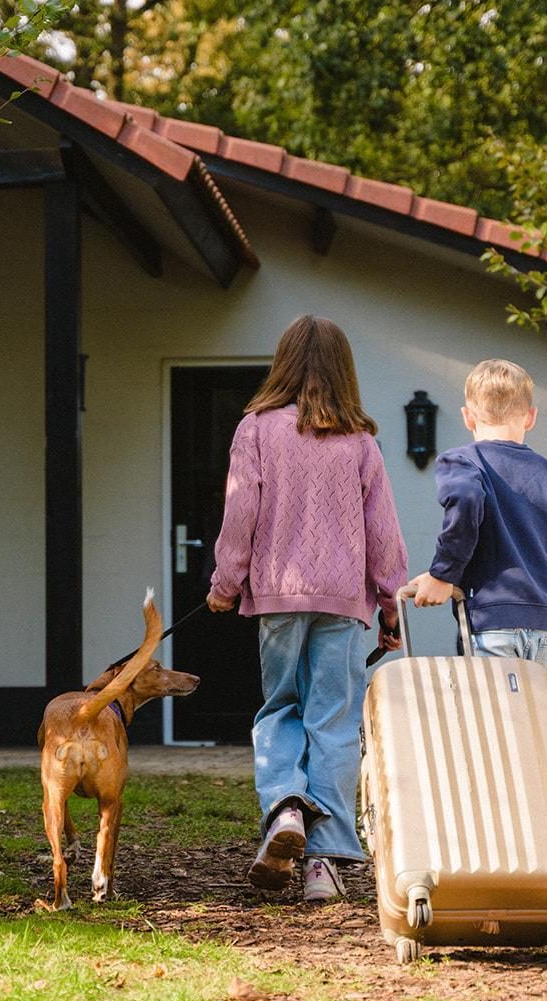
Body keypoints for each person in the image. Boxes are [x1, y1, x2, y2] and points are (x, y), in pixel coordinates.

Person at [207, 314, 408, 902]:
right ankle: (325, 864)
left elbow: (239, 514)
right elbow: (384, 533)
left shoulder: (256, 431)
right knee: (334, 724)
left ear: (283, 363)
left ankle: (285, 809)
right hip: (346, 604)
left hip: (277, 595)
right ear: (343, 372)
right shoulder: (361, 443)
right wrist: (390, 603)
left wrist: (226, 582)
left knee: (280, 708)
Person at [412, 359, 547, 706]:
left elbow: (465, 497)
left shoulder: (463, 462)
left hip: (494, 621)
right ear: (530, 417)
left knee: (493, 732)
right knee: (530, 726)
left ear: (467, 417)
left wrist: (443, 574)